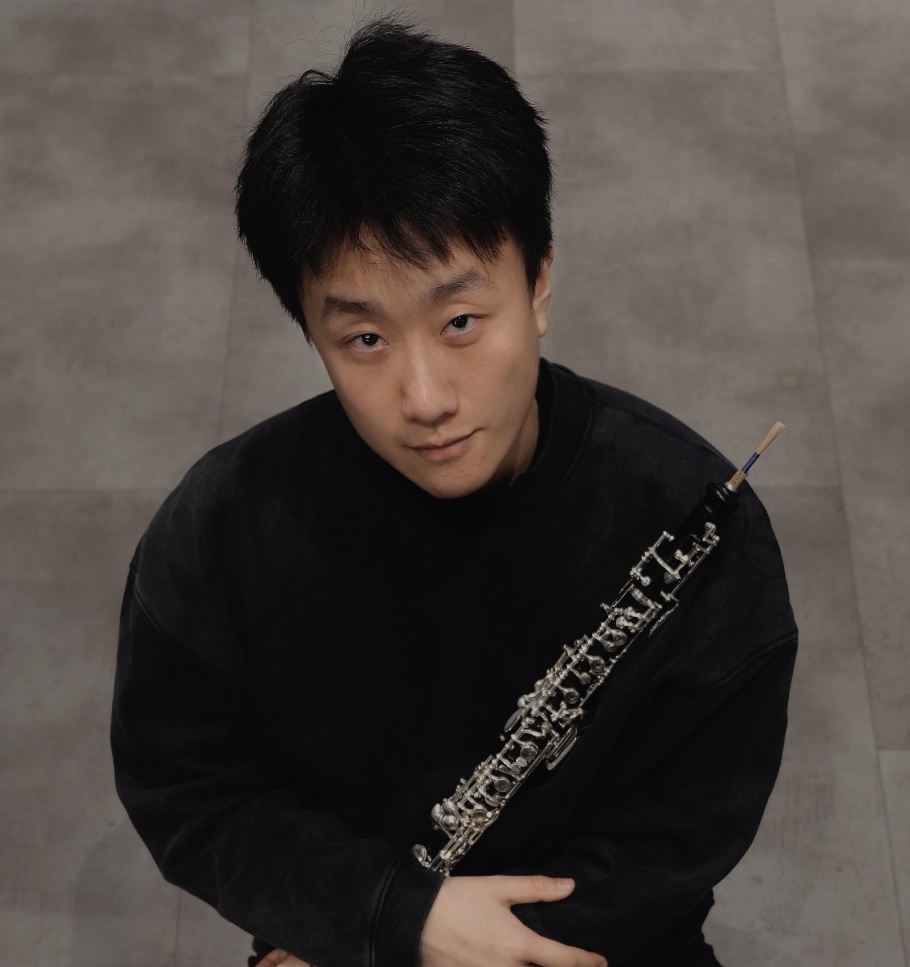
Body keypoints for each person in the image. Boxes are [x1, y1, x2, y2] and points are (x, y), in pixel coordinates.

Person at [111, 18, 797, 967]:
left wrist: (438, 941)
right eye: (365, 339)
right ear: (309, 327)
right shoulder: (220, 529)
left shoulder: (696, 522)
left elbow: (681, 835)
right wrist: (380, 916)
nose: (426, 398)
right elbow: (187, 788)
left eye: (462, 320)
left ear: (539, 281)